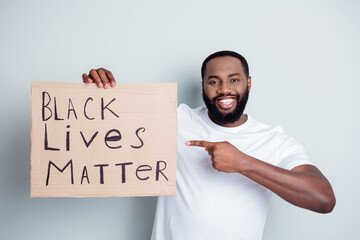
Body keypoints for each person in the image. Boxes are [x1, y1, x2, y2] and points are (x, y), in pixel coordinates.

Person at [82, 50, 336, 240]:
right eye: (214, 81)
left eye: (234, 80)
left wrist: (244, 163)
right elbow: (106, 130)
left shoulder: (274, 140)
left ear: (248, 82)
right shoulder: (176, 119)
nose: (224, 89)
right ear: (203, 86)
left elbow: (323, 199)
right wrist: (97, 94)